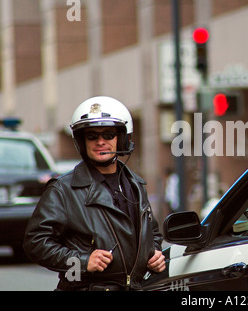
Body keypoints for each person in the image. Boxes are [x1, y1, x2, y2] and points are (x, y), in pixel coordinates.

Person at [23, 96, 165, 291]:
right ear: (82, 142)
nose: (100, 142)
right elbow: (36, 242)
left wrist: (154, 253)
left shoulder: (136, 185)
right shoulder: (63, 189)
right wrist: (81, 261)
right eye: (92, 136)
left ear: (121, 138)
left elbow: (153, 233)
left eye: (108, 134)